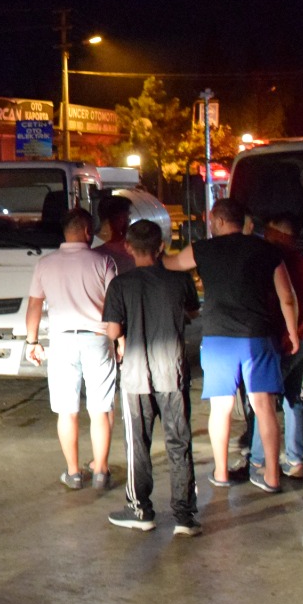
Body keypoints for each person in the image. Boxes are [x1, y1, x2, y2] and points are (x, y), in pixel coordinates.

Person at [164, 199, 300, 493]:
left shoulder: (203, 249)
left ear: (220, 220)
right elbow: (287, 296)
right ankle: (273, 476)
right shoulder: (267, 250)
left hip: (218, 338)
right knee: (265, 407)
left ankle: (222, 472)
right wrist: (292, 332)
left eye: (212, 220)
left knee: (221, 407)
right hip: (258, 336)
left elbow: (169, 264)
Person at [102, 220, 201, 535]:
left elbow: (114, 330)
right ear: (161, 247)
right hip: (171, 372)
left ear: (129, 248)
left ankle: (140, 510)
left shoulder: (120, 284)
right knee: (179, 442)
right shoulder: (179, 280)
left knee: (138, 445)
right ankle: (184, 517)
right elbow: (192, 312)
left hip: (135, 375)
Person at [25, 207, 119, 489]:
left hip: (62, 341)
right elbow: (116, 305)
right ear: (88, 231)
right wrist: (120, 340)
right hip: (97, 339)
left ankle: (74, 472)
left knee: (67, 410)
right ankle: (101, 470)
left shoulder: (45, 264)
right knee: (100, 409)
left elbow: (34, 305)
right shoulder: (103, 261)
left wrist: (32, 341)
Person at [249, 213, 303, 479]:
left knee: (264, 400)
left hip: (284, 341)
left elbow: (285, 301)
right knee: (293, 399)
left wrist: (286, 334)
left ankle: (259, 460)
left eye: (269, 230)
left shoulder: (276, 262)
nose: (265, 235)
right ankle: (296, 461)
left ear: (281, 235)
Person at [94, 195, 135, 274]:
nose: (128, 221)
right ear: (120, 218)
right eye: (127, 217)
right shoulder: (131, 249)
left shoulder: (90, 244)